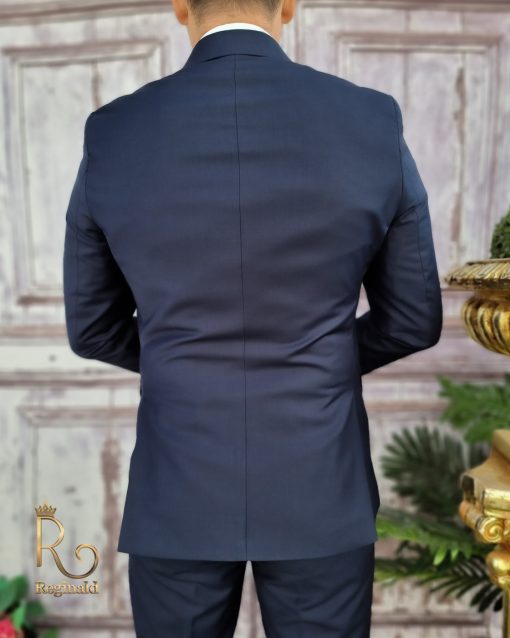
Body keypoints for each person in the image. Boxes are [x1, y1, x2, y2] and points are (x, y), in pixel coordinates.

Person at [62, 0, 443, 635]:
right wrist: (320, 355)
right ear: (288, 5)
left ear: (180, 6)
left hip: (177, 490)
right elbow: (412, 319)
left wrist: (179, 357)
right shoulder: (372, 119)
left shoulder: (113, 131)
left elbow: (93, 327)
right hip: (321, 488)